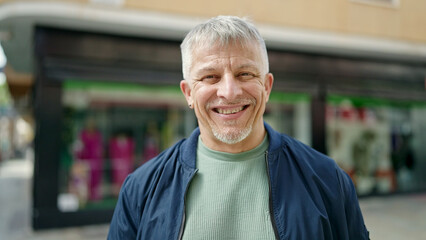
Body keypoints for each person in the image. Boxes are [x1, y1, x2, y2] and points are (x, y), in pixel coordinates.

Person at [107, 16, 370, 240]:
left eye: (245, 74)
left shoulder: (327, 179)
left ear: (267, 87)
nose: (229, 91)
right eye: (210, 77)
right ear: (188, 93)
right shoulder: (141, 188)